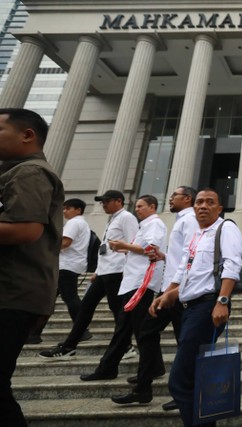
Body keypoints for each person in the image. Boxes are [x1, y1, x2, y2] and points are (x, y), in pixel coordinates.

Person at [149, 188, 242, 426]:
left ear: (219, 208)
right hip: (189, 308)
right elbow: (184, 270)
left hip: (207, 307)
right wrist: (167, 293)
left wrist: (222, 301)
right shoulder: (197, 235)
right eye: (199, 202)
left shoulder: (226, 229)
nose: (203, 206)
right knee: (193, 377)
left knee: (179, 380)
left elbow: (232, 265)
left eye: (210, 202)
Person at [0, 108, 64, 426]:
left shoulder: (29, 173)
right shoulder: (16, 171)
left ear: (27, 135)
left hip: (12, 293)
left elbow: (26, 230)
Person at [111, 186, 198, 411]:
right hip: (171, 291)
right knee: (151, 333)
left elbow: (192, 255)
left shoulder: (189, 221)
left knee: (167, 337)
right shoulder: (181, 220)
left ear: (187, 199)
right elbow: (181, 256)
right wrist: (165, 256)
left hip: (178, 292)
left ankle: (179, 392)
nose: (169, 198)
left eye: (174, 196)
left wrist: (172, 289)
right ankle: (144, 387)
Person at [39, 190, 138, 360]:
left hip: (116, 271)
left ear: (118, 201)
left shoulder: (126, 217)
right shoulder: (113, 219)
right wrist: (98, 271)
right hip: (105, 271)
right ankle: (69, 346)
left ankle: (127, 346)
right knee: (85, 308)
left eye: (106, 201)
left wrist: (128, 271)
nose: (103, 204)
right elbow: (106, 248)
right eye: (102, 202)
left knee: (116, 310)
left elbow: (133, 244)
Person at [79, 195, 166, 382]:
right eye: (137, 206)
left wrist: (124, 245)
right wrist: (126, 249)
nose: (137, 209)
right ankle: (112, 367)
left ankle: (145, 368)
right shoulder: (146, 225)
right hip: (133, 280)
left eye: (141, 206)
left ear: (152, 206)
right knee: (125, 327)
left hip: (141, 282)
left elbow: (151, 249)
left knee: (138, 328)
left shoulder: (155, 224)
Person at [28, 198, 92, 344]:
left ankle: (82, 330)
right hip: (69, 265)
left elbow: (66, 242)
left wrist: (47, 250)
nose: (64, 211)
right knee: (48, 298)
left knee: (69, 298)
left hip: (66, 266)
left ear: (78, 210)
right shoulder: (82, 223)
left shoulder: (74, 222)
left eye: (68, 208)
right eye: (64, 208)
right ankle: (34, 333)